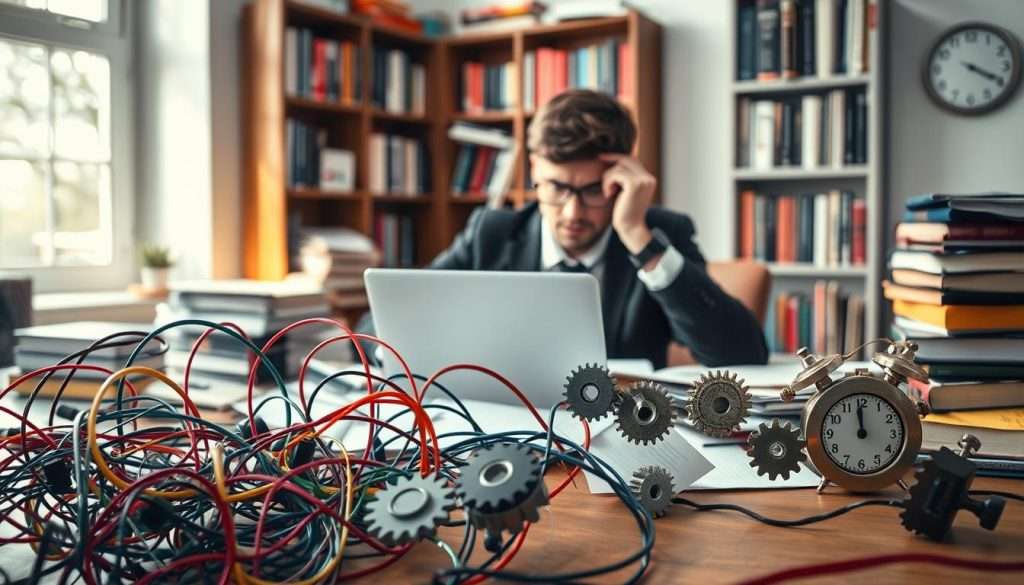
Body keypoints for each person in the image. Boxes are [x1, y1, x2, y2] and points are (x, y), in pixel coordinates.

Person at [359, 89, 767, 368]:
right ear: (534, 169)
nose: (572, 212)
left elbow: (743, 354)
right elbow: (383, 322)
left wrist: (638, 239)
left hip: (624, 438)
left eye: (593, 191)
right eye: (556, 188)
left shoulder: (662, 233)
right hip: (508, 432)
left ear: (623, 179)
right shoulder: (493, 232)